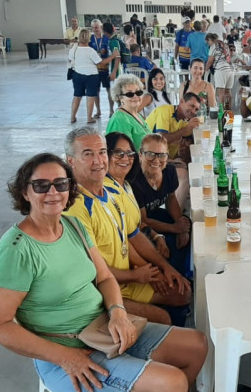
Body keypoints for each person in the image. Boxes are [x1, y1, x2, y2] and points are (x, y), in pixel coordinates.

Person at [0, 152, 207, 392]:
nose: (53, 192)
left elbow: (105, 278)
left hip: (103, 330)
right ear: (24, 192)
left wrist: (118, 313)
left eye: (61, 184)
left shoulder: (73, 226)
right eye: (41, 185)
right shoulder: (14, 251)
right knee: (172, 383)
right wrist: (64, 357)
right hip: (66, 354)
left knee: (196, 346)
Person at [63, 128, 194, 323]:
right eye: (88, 154)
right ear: (70, 160)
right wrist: (136, 274)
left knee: (183, 292)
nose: (98, 160)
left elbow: (130, 235)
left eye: (101, 152)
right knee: (164, 318)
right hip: (102, 291)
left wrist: (162, 268)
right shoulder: (75, 208)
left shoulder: (112, 191)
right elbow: (91, 272)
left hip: (127, 278)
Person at [130, 134, 192, 281]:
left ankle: (182, 275)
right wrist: (174, 229)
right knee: (167, 246)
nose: (156, 160)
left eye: (162, 155)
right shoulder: (134, 182)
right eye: (150, 154)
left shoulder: (169, 171)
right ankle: (171, 279)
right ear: (140, 155)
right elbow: (143, 220)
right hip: (138, 226)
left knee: (188, 229)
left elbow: (171, 199)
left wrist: (180, 225)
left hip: (156, 215)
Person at [146, 92, 203, 162]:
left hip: (167, 159)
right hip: (151, 159)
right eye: (192, 106)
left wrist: (185, 144)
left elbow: (189, 139)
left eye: (196, 109)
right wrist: (186, 129)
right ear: (181, 101)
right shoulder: (164, 110)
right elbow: (161, 140)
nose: (193, 111)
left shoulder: (185, 120)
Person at [69, 30, 110, 124]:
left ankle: (72, 116)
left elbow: (71, 59)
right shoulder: (91, 51)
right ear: (89, 39)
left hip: (77, 74)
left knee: (77, 96)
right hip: (91, 76)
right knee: (90, 96)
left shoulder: (74, 49)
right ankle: (89, 118)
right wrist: (113, 56)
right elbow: (101, 62)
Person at [106, 74, 151, 151]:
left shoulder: (136, 114)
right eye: (129, 94)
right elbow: (123, 153)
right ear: (120, 98)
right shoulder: (120, 120)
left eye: (138, 92)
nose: (135, 96)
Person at [89, 19, 112, 118]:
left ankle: (111, 110)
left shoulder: (106, 38)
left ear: (101, 27)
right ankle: (98, 110)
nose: (95, 29)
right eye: (93, 28)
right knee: (96, 90)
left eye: (97, 27)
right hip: (95, 69)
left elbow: (111, 52)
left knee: (109, 89)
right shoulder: (91, 39)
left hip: (106, 68)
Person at [205, 33, 233, 107]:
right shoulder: (225, 45)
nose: (208, 44)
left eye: (207, 42)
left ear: (210, 40)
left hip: (221, 70)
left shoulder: (213, 46)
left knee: (221, 92)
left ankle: (221, 111)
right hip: (230, 69)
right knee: (228, 92)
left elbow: (210, 61)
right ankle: (228, 110)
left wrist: (205, 69)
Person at [103, 22, 122, 91]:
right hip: (113, 69)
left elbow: (117, 56)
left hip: (116, 71)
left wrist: (114, 72)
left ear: (105, 32)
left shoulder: (113, 41)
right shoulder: (111, 40)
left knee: (117, 92)